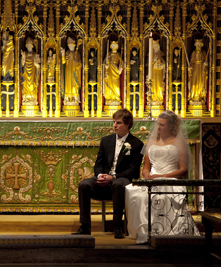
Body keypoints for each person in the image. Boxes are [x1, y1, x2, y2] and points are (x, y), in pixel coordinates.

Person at [125, 110, 200, 244]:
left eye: (162, 125)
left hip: (170, 179)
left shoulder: (178, 142)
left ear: (171, 126)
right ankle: (144, 232)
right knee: (136, 193)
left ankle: (162, 231)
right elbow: (146, 166)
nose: (158, 127)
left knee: (160, 196)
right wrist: (146, 174)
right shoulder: (152, 141)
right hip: (152, 179)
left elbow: (183, 169)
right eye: (158, 124)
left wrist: (162, 176)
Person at [73, 109, 144, 238]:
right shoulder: (106, 141)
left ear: (127, 124)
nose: (114, 125)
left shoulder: (136, 144)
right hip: (104, 179)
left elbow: (133, 171)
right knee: (84, 185)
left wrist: (113, 177)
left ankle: (117, 226)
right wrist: (100, 175)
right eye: (113, 122)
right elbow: (98, 164)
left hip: (122, 180)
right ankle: (85, 226)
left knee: (117, 184)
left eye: (118, 123)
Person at [60, 36, 82, 104]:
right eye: (69, 46)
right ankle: (67, 97)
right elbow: (63, 62)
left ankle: (75, 97)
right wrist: (63, 55)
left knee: (74, 84)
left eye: (72, 46)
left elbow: (80, 64)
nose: (70, 47)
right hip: (68, 71)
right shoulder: (67, 52)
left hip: (74, 72)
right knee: (68, 84)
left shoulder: (77, 53)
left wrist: (77, 64)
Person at [20, 37, 41, 105]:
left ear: (32, 46)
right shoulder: (25, 54)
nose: (29, 47)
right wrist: (23, 57)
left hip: (33, 73)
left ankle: (33, 98)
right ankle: (26, 98)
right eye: (27, 46)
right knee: (25, 84)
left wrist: (36, 65)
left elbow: (39, 66)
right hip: (26, 72)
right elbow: (22, 65)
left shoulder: (35, 54)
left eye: (30, 45)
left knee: (32, 85)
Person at [104, 41, 124, 106]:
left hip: (115, 71)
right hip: (109, 70)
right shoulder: (109, 54)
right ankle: (109, 98)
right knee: (109, 84)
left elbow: (122, 62)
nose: (113, 47)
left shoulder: (118, 54)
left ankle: (116, 98)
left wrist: (121, 68)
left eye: (115, 45)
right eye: (112, 45)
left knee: (116, 86)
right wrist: (105, 65)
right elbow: (104, 62)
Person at [188, 39, 208, 104]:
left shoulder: (204, 52)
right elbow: (191, 61)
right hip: (195, 69)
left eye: (199, 45)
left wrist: (205, 64)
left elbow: (207, 62)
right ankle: (193, 96)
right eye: (197, 45)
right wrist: (190, 67)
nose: (198, 46)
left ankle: (200, 96)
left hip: (201, 68)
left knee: (201, 82)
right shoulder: (194, 53)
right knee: (194, 82)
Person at [148, 40, 165, 104]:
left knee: (159, 85)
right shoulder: (150, 54)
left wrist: (162, 64)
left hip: (159, 71)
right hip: (153, 71)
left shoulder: (161, 54)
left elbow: (164, 62)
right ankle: (153, 97)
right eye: (154, 46)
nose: (155, 47)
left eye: (156, 46)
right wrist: (153, 60)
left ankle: (159, 97)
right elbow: (147, 64)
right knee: (153, 85)